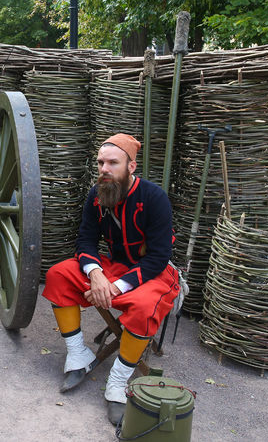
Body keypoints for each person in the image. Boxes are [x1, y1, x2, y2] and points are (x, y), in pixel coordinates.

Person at [42, 133, 180, 424]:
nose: (104, 169)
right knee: (58, 275)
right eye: (101, 162)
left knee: (144, 308)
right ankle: (78, 354)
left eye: (113, 163)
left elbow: (157, 257)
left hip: (150, 272)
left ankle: (118, 381)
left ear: (131, 166)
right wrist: (96, 274)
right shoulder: (97, 194)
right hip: (112, 267)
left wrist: (113, 285)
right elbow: (86, 241)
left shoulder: (154, 198)